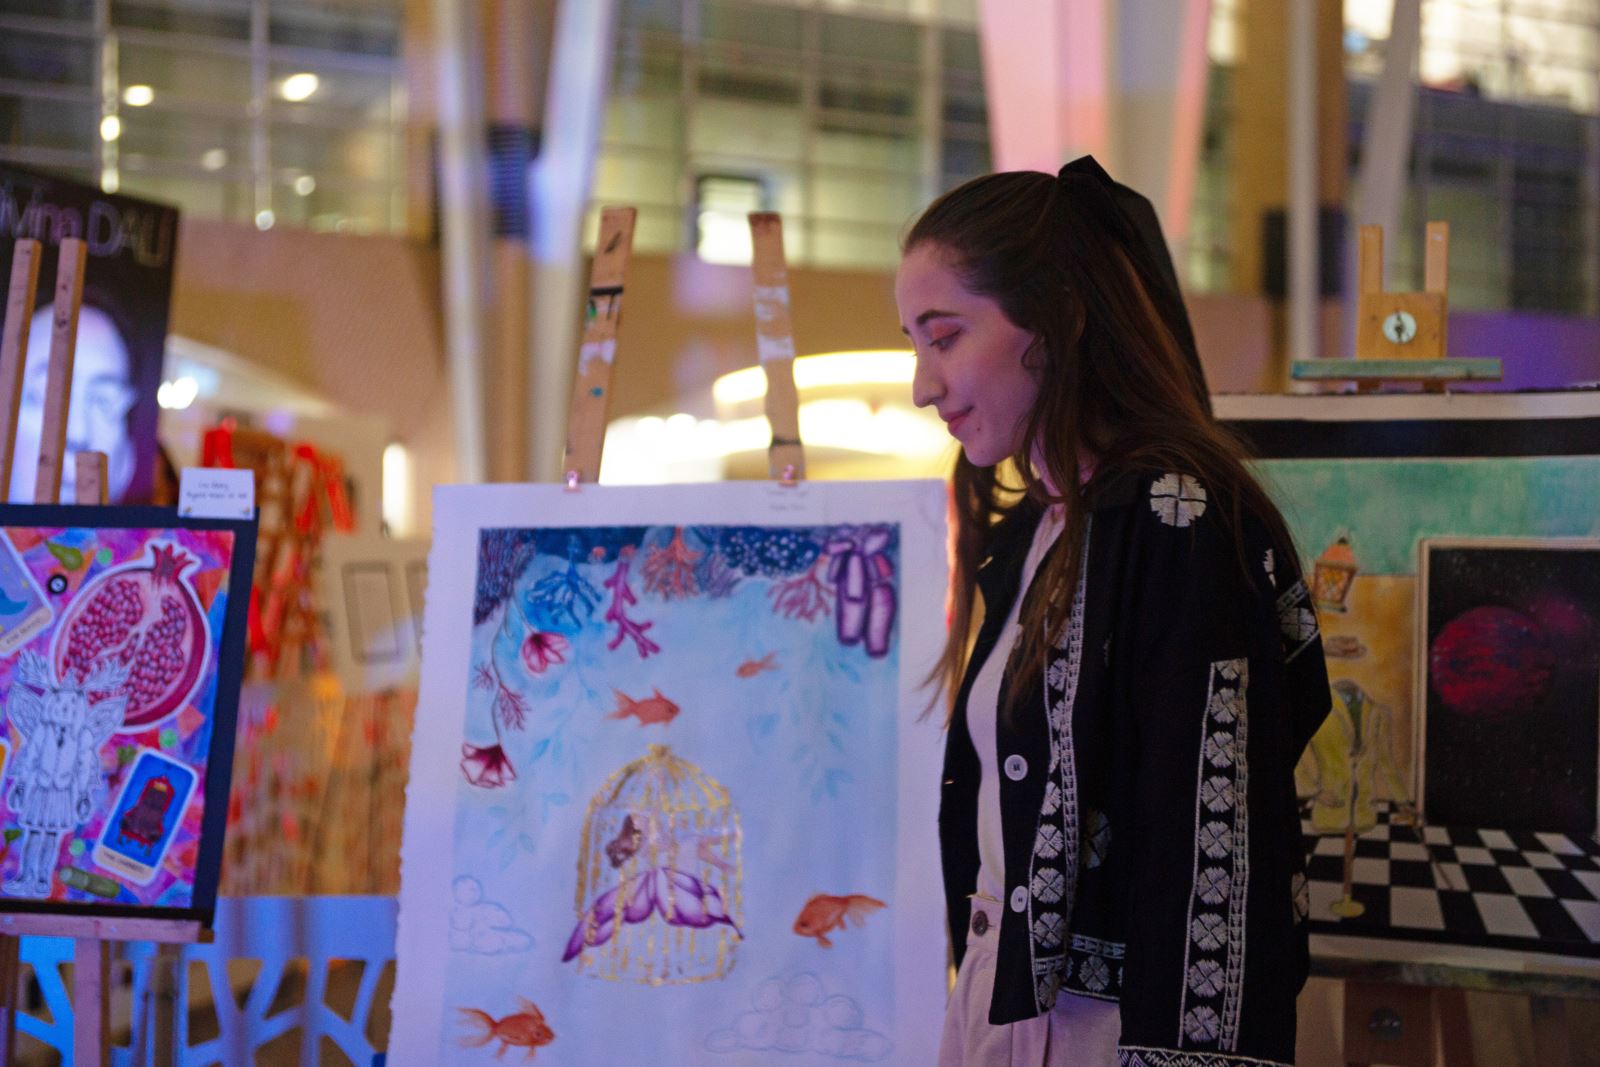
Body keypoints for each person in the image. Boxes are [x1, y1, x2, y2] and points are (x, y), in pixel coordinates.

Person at [896, 157, 1332, 1066]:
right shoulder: (1037, 530)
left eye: (944, 337)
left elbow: (1210, 847)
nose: (922, 385)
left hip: (1110, 1030)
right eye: (917, 344)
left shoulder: (1177, 520)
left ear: (1053, 323)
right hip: (1004, 1005)